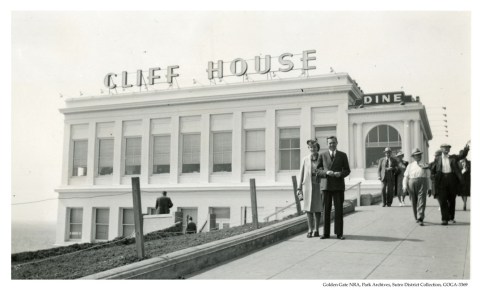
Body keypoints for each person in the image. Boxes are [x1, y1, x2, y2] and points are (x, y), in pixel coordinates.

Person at [318, 136, 351, 240]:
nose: (332, 145)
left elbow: (347, 170)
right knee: (326, 210)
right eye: (330, 143)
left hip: (338, 186)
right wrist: (326, 172)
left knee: (339, 210)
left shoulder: (342, 155)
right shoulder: (322, 155)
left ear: (337, 143)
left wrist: (340, 174)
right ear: (327, 144)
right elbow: (317, 171)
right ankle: (326, 233)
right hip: (326, 186)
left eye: (333, 143)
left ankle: (339, 233)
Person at [430, 142, 470, 225]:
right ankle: (444, 219)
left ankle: (451, 217)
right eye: (444, 147)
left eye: (448, 147)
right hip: (441, 180)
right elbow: (433, 168)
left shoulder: (453, 157)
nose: (446, 149)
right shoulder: (437, 159)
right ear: (441, 149)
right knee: (442, 199)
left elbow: (462, 156)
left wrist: (466, 149)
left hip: (452, 179)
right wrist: (433, 176)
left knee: (452, 199)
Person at [297, 138, 323, 238]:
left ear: (317, 148)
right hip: (307, 186)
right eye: (310, 147)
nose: (312, 149)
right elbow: (301, 174)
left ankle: (316, 229)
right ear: (308, 148)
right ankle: (310, 229)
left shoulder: (321, 158)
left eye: (314, 147)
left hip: (318, 186)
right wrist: (299, 189)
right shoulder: (305, 159)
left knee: (317, 209)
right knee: (308, 209)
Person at [403, 149, 430, 226]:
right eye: (416, 155)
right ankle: (416, 217)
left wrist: (430, 188)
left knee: (422, 199)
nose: (418, 156)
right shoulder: (410, 165)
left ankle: (420, 217)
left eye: (419, 155)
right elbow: (406, 177)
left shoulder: (425, 164)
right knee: (413, 200)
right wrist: (404, 187)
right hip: (412, 182)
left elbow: (428, 177)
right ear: (413, 157)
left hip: (422, 182)